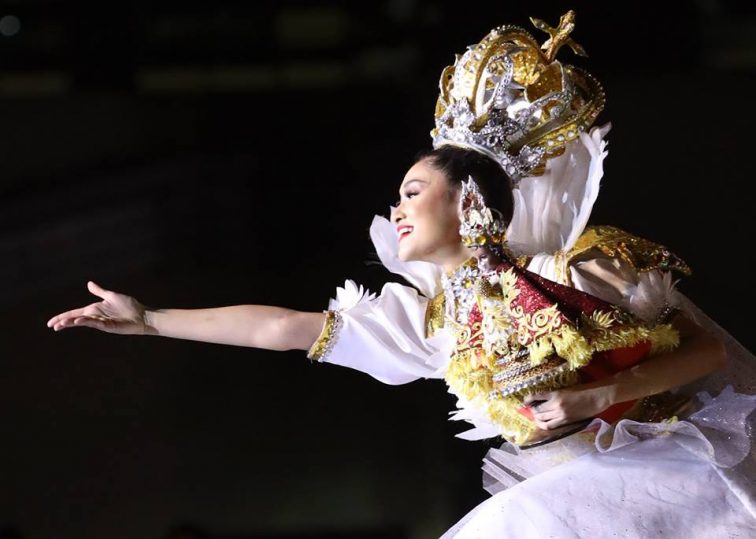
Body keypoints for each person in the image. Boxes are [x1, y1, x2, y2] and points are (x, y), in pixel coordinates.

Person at [48, 10, 755, 538]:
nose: (398, 207)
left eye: (414, 190)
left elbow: (710, 352)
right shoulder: (432, 322)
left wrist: (597, 393)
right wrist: (151, 319)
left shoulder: (575, 261)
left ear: (469, 199)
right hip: (586, 496)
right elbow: (284, 327)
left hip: (678, 471)